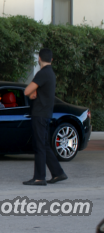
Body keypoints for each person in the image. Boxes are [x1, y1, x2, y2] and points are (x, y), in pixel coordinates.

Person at [23, 48, 67, 186]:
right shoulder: (51, 74)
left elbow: (27, 91)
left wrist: (32, 93)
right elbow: (35, 93)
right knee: (45, 145)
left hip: (39, 114)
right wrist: (34, 93)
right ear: (51, 59)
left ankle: (39, 178)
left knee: (39, 146)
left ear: (39, 58)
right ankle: (58, 173)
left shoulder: (42, 73)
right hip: (46, 114)